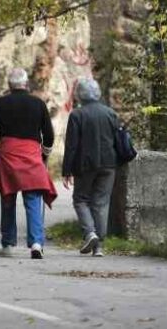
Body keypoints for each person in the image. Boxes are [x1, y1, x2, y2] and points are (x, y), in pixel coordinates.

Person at [0, 68, 57, 259]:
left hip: (8, 153)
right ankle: (36, 243)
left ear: (9, 85)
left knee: (8, 199)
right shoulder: (38, 103)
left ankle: (7, 244)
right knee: (33, 199)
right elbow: (48, 134)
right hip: (31, 154)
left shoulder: (1, 103)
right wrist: (45, 154)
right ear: (26, 84)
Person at [61, 78, 119, 257]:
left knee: (80, 199)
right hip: (109, 164)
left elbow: (71, 146)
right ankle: (99, 246)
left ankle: (90, 233)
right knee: (101, 203)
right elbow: (118, 139)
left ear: (80, 95)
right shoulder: (110, 113)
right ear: (98, 93)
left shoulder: (77, 115)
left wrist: (66, 171)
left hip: (86, 165)